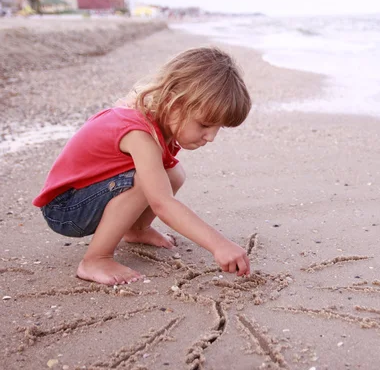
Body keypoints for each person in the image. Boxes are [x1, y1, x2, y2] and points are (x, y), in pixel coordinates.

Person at [33, 47, 252, 285]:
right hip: (66, 209)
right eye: (205, 125)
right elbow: (162, 204)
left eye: (218, 128)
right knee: (143, 183)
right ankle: (95, 259)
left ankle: (136, 229)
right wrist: (218, 244)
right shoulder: (139, 133)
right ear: (173, 101)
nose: (211, 137)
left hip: (88, 197)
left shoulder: (159, 122)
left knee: (173, 173)